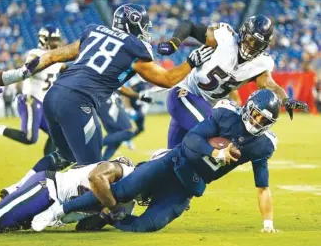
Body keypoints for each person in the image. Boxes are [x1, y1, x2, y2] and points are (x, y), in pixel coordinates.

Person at [0, 4, 210, 176]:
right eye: (143, 26)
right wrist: (192, 60)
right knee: (93, 171)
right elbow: (168, 79)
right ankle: (63, 209)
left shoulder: (94, 32)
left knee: (65, 156)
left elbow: (51, 56)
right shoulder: (134, 48)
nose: (145, 31)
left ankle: (19, 188)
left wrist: (8, 76)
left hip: (53, 97)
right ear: (134, 25)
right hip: (77, 103)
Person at [32, 89, 281, 233]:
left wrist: (268, 224)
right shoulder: (226, 114)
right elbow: (192, 140)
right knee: (121, 190)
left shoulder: (262, 145)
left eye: (263, 120)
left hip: (190, 184)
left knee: (147, 226)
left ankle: (109, 218)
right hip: (175, 160)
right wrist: (217, 153)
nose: (257, 121)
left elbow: (262, 185)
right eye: (256, 115)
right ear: (248, 107)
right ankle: (60, 209)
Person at [157, 15, 309, 148]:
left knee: (173, 160)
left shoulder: (260, 64)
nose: (251, 46)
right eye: (250, 39)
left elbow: (271, 86)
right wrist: (173, 43)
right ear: (243, 33)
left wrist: (285, 100)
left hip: (203, 107)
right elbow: (189, 26)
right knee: (215, 133)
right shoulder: (225, 37)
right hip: (185, 94)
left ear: (264, 47)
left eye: (257, 44)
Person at [0, 156, 135, 233]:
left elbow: (84, 227)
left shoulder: (128, 200)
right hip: (47, 188)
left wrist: (106, 216)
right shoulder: (123, 170)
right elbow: (96, 177)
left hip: (51, 211)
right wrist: (113, 207)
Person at [0, 25, 65, 160]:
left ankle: (49, 166)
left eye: (57, 40)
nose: (55, 44)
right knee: (29, 138)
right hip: (31, 99)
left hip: (44, 103)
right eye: (52, 40)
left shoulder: (57, 58)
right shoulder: (36, 53)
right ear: (44, 40)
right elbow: (29, 66)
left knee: (57, 133)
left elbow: (65, 68)